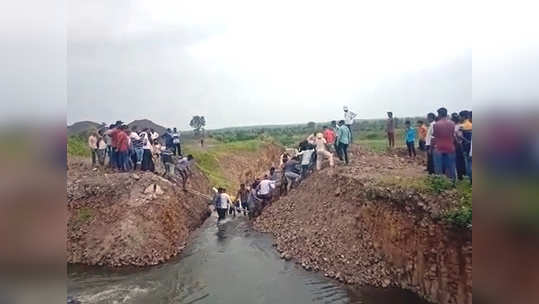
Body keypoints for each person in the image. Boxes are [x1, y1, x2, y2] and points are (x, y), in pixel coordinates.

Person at [433, 107, 456, 182]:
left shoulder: (436, 124)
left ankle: (440, 184)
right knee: (451, 168)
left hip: (439, 148)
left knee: (438, 168)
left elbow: (435, 137)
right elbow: (453, 136)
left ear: (439, 114)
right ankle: (452, 183)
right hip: (450, 148)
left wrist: (430, 148)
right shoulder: (452, 123)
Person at [459, 110, 472, 182]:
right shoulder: (471, 124)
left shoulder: (463, 126)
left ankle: (469, 179)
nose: (459, 118)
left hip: (466, 147)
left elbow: (460, 136)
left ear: (463, 117)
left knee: (468, 164)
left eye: (460, 116)